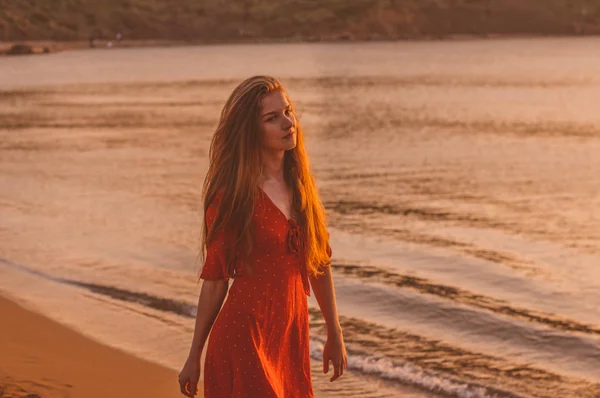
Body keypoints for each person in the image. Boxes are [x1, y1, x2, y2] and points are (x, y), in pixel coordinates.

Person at [178, 76, 347, 397]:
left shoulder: (302, 188)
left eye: (288, 111)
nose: (288, 123)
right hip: (244, 337)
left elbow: (319, 264)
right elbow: (215, 281)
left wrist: (334, 332)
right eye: (272, 118)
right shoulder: (232, 196)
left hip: (290, 338)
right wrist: (193, 356)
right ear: (251, 132)